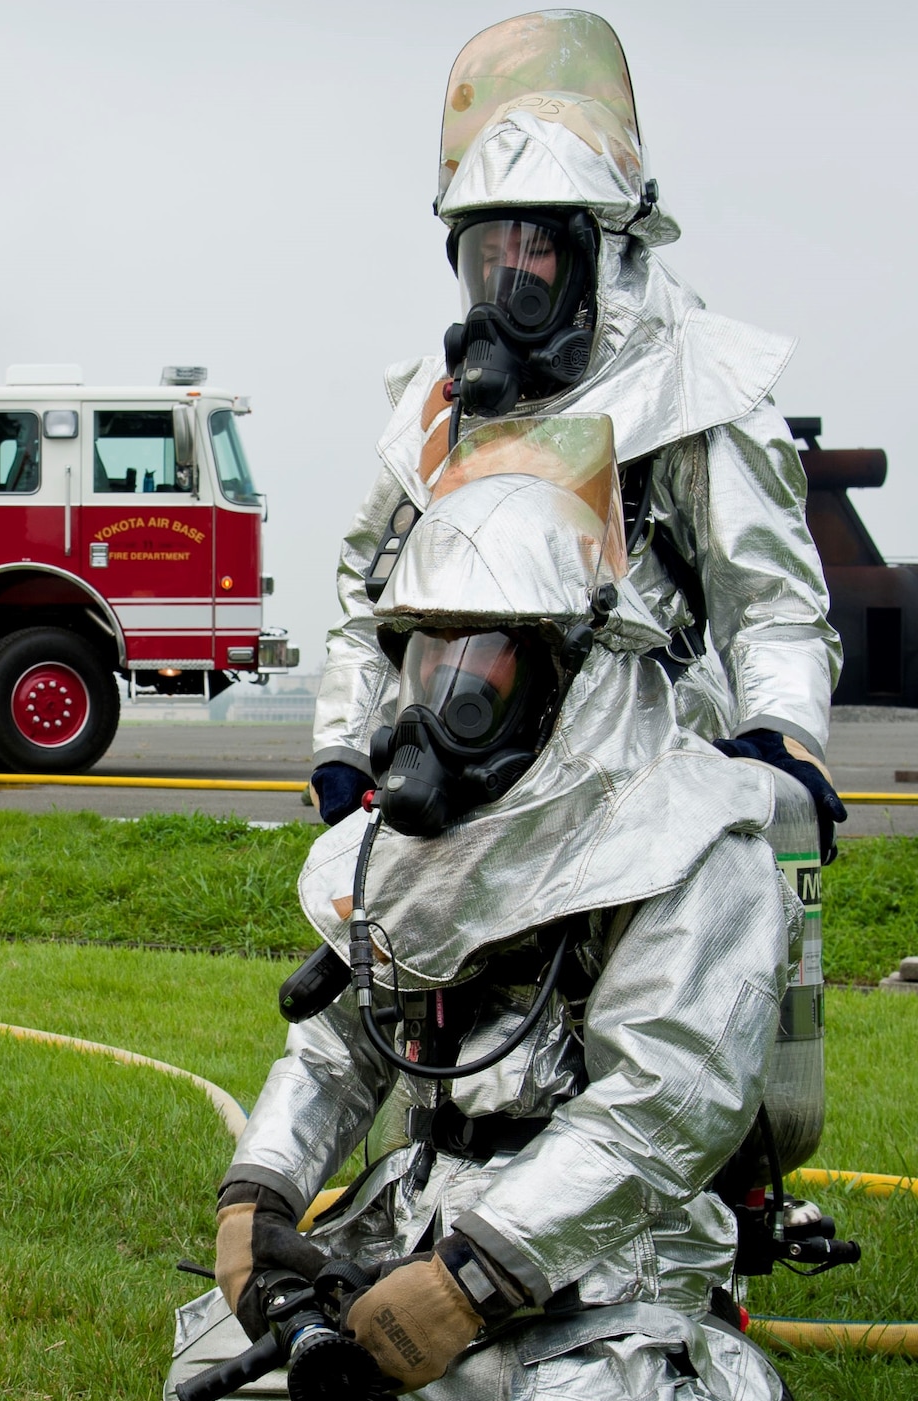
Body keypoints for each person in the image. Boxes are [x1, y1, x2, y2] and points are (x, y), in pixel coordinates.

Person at [203, 423, 800, 1401]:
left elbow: (655, 1112)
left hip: (608, 1240)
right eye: (427, 660)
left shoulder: (688, 833)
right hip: (431, 1206)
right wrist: (260, 1194)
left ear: (571, 670)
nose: (443, 701)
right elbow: (337, 1052)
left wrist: (472, 1278)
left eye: (482, 668)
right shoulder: (418, 838)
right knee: (219, 1388)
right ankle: (439, 1380)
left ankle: (724, 1391)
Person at [310, 9, 845, 864]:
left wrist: (780, 736)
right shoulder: (438, 410)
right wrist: (343, 741)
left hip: (650, 782)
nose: (504, 283)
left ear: (600, 247)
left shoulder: (698, 392)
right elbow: (368, 605)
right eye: (485, 255)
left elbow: (772, 603)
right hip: (467, 767)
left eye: (533, 254)